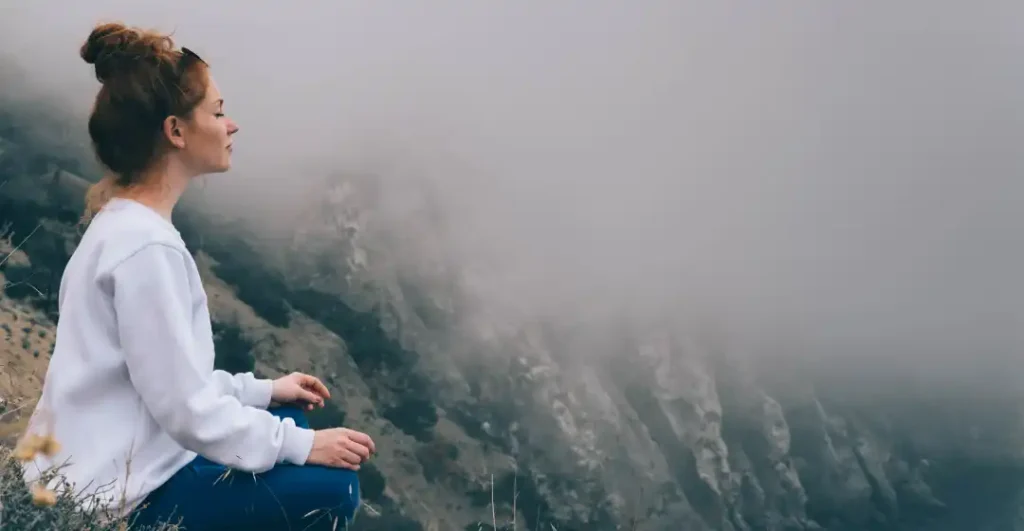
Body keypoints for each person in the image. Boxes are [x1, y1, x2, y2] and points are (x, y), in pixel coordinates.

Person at [19, 22, 376, 530]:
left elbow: (160, 380)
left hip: (101, 468)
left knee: (290, 421)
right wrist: (301, 445)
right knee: (334, 488)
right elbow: (184, 408)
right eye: (218, 111)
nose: (232, 126)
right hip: (113, 497)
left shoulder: (124, 225)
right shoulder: (146, 249)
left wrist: (263, 391)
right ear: (176, 131)